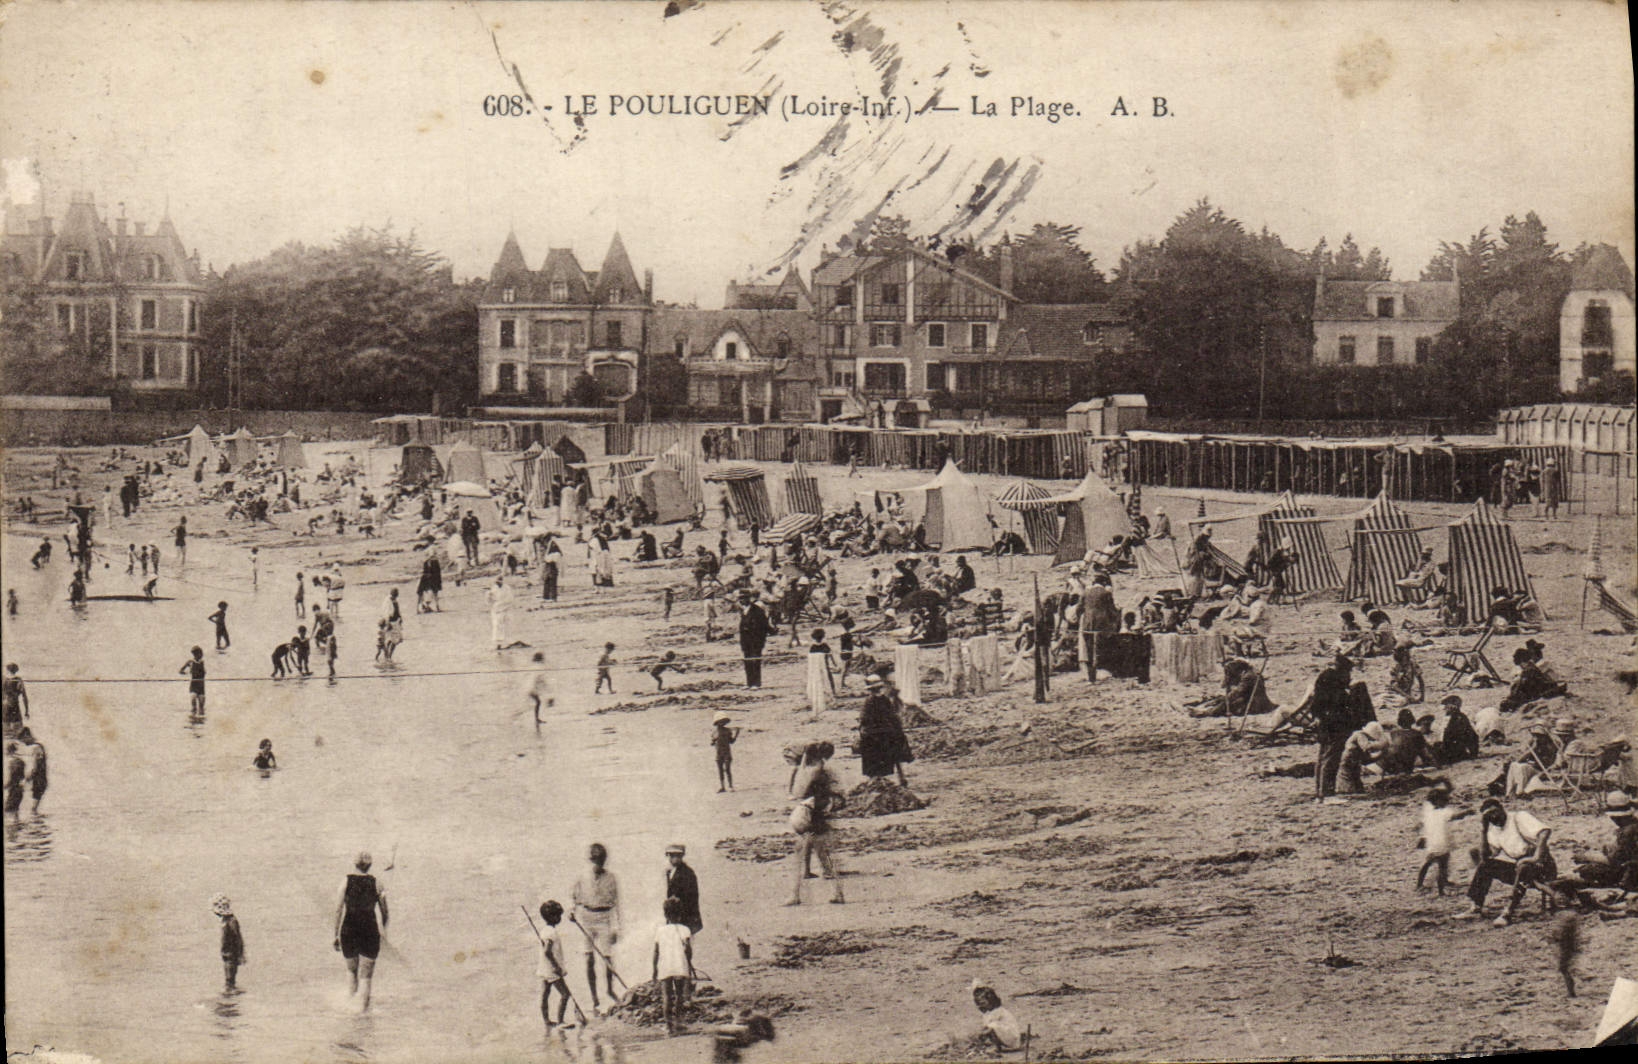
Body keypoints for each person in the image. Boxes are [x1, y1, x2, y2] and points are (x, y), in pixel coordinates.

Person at [1459, 798, 1554, 927]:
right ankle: (1476, 906)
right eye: (1489, 816)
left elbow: (1544, 832)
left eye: (1494, 812)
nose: (1493, 817)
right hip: (1521, 865)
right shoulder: (1494, 830)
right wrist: (1484, 831)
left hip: (1542, 866)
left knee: (1524, 867)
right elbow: (1487, 856)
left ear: (1501, 808)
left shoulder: (1518, 817)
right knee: (1486, 866)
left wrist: (1536, 857)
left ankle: (1508, 912)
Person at [786, 743, 845, 906]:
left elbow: (797, 792)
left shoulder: (812, 771)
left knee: (800, 856)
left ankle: (795, 895)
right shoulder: (825, 770)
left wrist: (799, 769)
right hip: (819, 815)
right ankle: (838, 893)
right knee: (826, 857)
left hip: (811, 816)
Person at [334, 852, 389, 1009]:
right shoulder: (377, 883)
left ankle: (351, 1009)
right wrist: (384, 932)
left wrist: (335, 935)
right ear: (370, 865)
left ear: (355, 864)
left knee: (351, 971)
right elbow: (385, 912)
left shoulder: (345, 881)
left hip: (349, 929)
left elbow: (338, 910)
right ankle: (363, 1013)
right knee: (366, 975)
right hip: (369, 930)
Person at [572, 843, 622, 1013]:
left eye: (601, 861)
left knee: (607, 957)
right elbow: (574, 898)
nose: (598, 864)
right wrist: (571, 911)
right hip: (587, 918)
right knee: (589, 958)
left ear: (604, 860)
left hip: (604, 918)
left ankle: (610, 989)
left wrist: (616, 928)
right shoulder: (582, 876)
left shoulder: (611, 878)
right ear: (591, 860)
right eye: (595, 860)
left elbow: (616, 904)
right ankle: (594, 996)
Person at [1559, 791, 1638, 894]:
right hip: (1631, 866)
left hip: (1630, 871)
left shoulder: (1627, 832)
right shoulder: (1633, 825)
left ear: (1614, 817)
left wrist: (1586, 857)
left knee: (1586, 870)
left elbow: (1613, 860)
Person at [1415, 780, 1472, 896]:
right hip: (1442, 843)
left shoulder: (1429, 813)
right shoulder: (1444, 812)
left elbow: (1424, 826)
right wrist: (1467, 812)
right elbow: (1456, 816)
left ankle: (1420, 884)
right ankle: (1441, 890)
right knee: (1442, 866)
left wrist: (1423, 837)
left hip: (1432, 843)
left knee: (1427, 864)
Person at [1310, 655, 1355, 799]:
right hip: (1334, 725)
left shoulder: (1324, 679)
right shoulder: (1335, 684)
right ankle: (1327, 793)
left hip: (1324, 723)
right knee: (1331, 759)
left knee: (1322, 757)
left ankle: (1320, 791)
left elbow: (1316, 704)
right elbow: (1340, 704)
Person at [858, 672, 913, 786]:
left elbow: (864, 719)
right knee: (896, 750)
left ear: (870, 689)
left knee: (870, 751)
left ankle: (874, 778)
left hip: (874, 735)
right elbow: (894, 717)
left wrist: (862, 728)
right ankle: (901, 776)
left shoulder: (869, 701)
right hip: (888, 733)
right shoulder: (886, 700)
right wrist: (897, 729)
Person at [651, 896, 696, 1035]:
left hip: (665, 967)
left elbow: (656, 952)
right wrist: (689, 963)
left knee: (666, 997)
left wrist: (654, 970)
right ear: (680, 913)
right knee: (679, 996)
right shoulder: (685, 930)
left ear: (665, 914)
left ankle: (668, 1026)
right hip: (680, 966)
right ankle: (679, 1024)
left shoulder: (660, 931)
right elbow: (688, 951)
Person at [535, 900, 571, 1029]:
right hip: (552, 970)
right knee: (565, 994)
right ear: (553, 917)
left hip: (544, 968)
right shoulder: (551, 932)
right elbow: (547, 952)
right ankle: (560, 1021)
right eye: (558, 916)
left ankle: (547, 1021)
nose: (559, 918)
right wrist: (557, 967)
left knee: (545, 995)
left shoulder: (544, 930)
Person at [971, 979, 1024, 1052]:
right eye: (979, 1004)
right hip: (1004, 1034)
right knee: (990, 1028)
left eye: (983, 1003)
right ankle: (996, 1045)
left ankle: (997, 1047)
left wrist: (981, 1034)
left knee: (992, 1026)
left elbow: (989, 1028)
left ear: (991, 1000)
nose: (981, 1005)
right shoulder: (988, 1012)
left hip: (1011, 1037)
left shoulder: (998, 1011)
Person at [664, 843, 704, 934]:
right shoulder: (672, 871)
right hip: (676, 917)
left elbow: (691, 897)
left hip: (686, 917)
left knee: (684, 940)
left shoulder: (687, 873)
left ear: (681, 856)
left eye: (676, 856)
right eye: (671, 855)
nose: (672, 858)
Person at [213, 894, 246, 992]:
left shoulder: (231, 921)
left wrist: (240, 953)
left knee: (230, 970)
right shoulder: (226, 920)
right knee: (228, 969)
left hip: (231, 952)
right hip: (227, 952)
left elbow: (237, 938)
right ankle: (230, 987)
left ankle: (230, 987)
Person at [1435, 695, 1481, 763]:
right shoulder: (1455, 717)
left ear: (1452, 707)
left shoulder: (1458, 718)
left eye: (1447, 706)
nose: (1445, 709)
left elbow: (1469, 736)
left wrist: (1473, 754)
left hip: (1455, 750)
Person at [739, 594, 771, 689]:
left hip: (756, 640)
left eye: (743, 598)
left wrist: (760, 639)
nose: (741, 601)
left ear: (748, 599)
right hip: (746, 641)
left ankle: (756, 683)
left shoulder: (757, 610)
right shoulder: (743, 610)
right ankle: (749, 683)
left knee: (755, 661)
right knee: (747, 661)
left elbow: (764, 625)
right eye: (740, 599)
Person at [805, 629, 835, 717]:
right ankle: (830, 694)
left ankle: (830, 693)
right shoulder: (820, 646)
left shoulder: (814, 647)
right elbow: (830, 655)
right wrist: (834, 663)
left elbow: (830, 654)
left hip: (822, 667)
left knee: (827, 680)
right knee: (827, 680)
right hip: (821, 667)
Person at [18, 727, 47, 813]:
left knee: (35, 797)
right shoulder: (39, 746)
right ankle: (34, 814)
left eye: (23, 740)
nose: (24, 743)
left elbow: (34, 765)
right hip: (40, 776)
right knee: (36, 796)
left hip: (38, 776)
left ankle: (33, 815)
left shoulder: (35, 747)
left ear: (27, 736)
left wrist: (28, 777)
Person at [711, 713, 739, 792]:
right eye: (721, 721)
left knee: (727, 769)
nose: (722, 723)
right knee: (721, 770)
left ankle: (730, 786)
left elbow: (731, 741)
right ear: (717, 723)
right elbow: (712, 742)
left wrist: (736, 735)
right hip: (719, 753)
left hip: (726, 753)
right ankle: (723, 787)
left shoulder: (727, 731)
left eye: (723, 721)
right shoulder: (714, 732)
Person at [526, 652, 556, 724]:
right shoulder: (539, 667)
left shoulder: (534, 666)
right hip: (532, 687)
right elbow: (541, 679)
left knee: (538, 702)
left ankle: (537, 719)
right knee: (537, 702)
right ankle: (536, 719)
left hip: (530, 686)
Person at [2, 664, 29, 739]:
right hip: (14, 706)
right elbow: (24, 697)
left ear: (7, 670)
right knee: (18, 732)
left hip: (5, 706)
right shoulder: (18, 680)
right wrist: (26, 711)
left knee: (6, 732)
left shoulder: (4, 679)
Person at [180, 646, 207, 716]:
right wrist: (187, 673)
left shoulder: (203, 662)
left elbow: (205, 672)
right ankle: (193, 717)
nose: (201, 655)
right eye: (200, 654)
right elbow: (181, 670)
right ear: (195, 654)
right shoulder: (190, 662)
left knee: (201, 706)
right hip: (194, 685)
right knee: (193, 701)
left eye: (201, 654)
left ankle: (201, 719)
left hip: (201, 685)